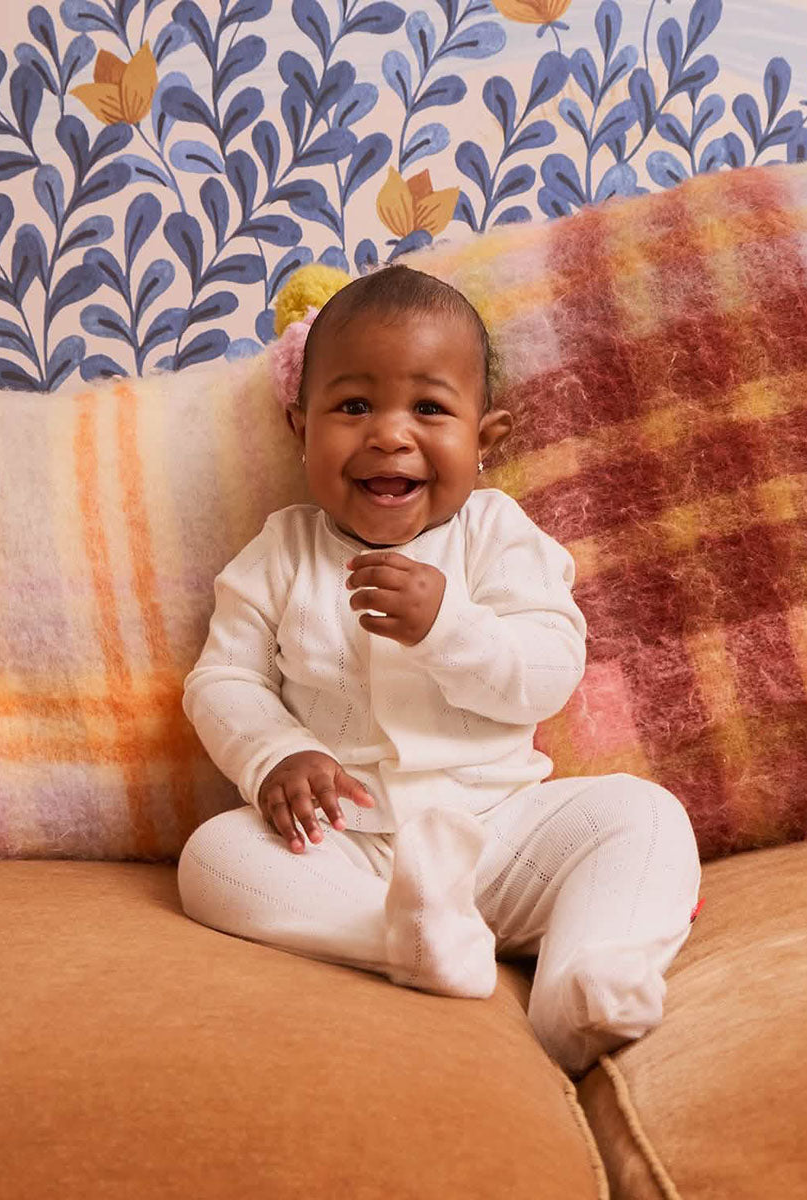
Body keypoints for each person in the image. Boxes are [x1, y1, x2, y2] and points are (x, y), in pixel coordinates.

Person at [177, 264, 702, 1076]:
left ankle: (584, 983)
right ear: (300, 429)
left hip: (501, 831)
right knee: (214, 858)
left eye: (427, 408)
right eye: (353, 407)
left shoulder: (496, 535)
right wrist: (277, 753)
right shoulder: (280, 554)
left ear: (483, 441)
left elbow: (549, 668)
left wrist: (450, 628)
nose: (389, 435)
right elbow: (223, 681)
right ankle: (404, 937)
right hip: (345, 842)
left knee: (643, 814)